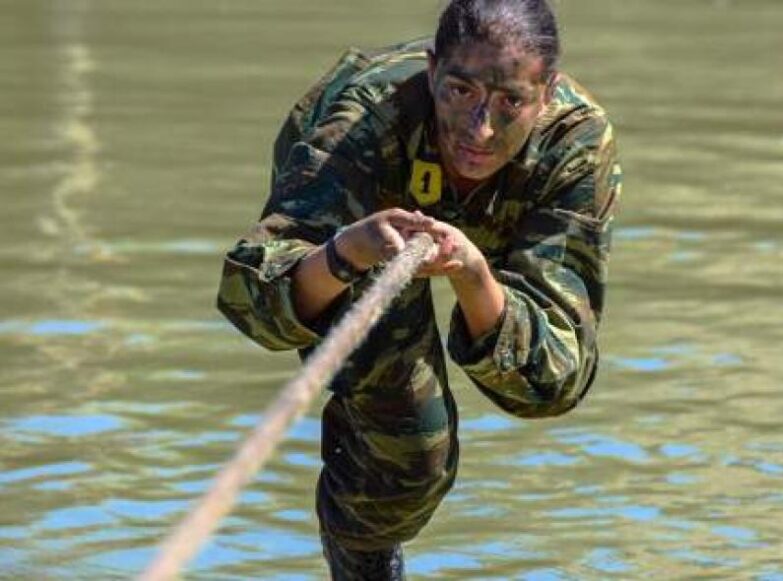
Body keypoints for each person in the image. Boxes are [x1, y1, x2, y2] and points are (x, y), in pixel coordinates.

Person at [216, 0, 621, 577]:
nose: (481, 129)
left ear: (547, 93)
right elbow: (251, 299)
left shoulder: (574, 143)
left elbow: (555, 375)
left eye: (510, 102)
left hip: (475, 246)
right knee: (410, 448)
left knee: (542, 382)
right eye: (460, 91)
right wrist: (346, 252)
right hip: (361, 224)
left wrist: (473, 276)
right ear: (432, 72)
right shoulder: (358, 122)